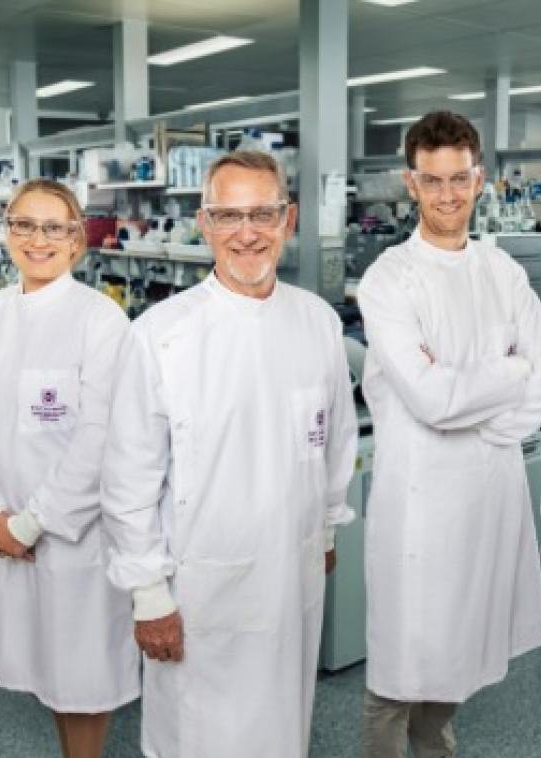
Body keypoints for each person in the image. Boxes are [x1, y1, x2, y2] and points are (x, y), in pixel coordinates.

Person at [99, 150, 358, 758]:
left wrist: (323, 534)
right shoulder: (160, 334)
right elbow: (129, 480)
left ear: (288, 220)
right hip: (200, 588)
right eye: (229, 216)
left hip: (292, 576)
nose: (248, 233)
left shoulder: (318, 323)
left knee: (283, 732)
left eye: (263, 214)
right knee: (199, 740)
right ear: (205, 223)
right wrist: (148, 594)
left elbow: (333, 443)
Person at [357, 110, 541, 758]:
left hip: (486, 497)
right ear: (409, 183)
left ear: (481, 179)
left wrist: (485, 412)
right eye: (433, 180)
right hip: (417, 507)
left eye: (460, 179)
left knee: (461, 656)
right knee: (398, 672)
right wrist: (511, 369)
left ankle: (436, 745)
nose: (448, 194)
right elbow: (430, 399)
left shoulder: (501, 272)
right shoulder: (389, 277)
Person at [0, 178, 138, 757]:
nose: (39, 239)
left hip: (69, 539)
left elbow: (99, 441)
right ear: (7, 232)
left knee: (81, 680)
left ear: (78, 239)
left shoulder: (102, 322)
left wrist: (28, 524)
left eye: (55, 227)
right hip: (0, 528)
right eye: (25, 225)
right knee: (45, 675)